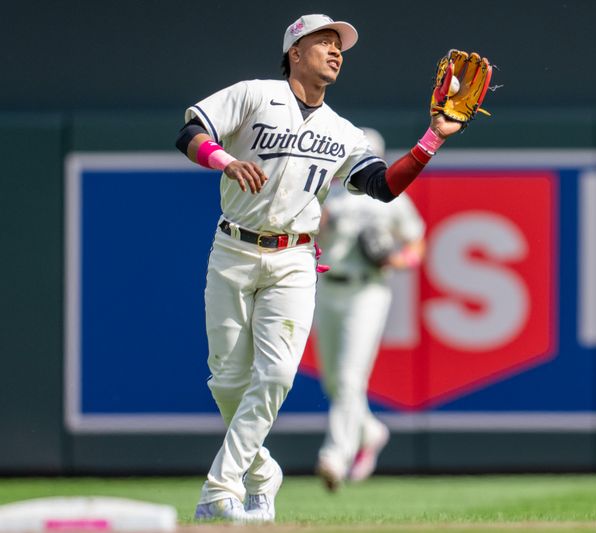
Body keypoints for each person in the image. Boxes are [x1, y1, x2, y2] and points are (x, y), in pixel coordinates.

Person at [174, 13, 482, 524]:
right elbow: (189, 132)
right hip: (233, 249)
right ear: (296, 51)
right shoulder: (254, 95)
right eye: (324, 41)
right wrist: (225, 161)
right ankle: (260, 472)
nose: (336, 51)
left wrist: (433, 138)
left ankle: (220, 486)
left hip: (295, 257)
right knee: (227, 381)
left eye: (340, 45)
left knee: (274, 374)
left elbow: (384, 185)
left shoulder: (342, 132)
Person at [313, 128, 426, 492]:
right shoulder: (328, 192)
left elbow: (416, 241)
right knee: (334, 381)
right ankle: (370, 431)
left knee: (348, 379)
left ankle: (335, 455)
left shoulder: (388, 196)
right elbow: (311, 235)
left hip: (367, 290)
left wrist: (397, 259)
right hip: (327, 286)